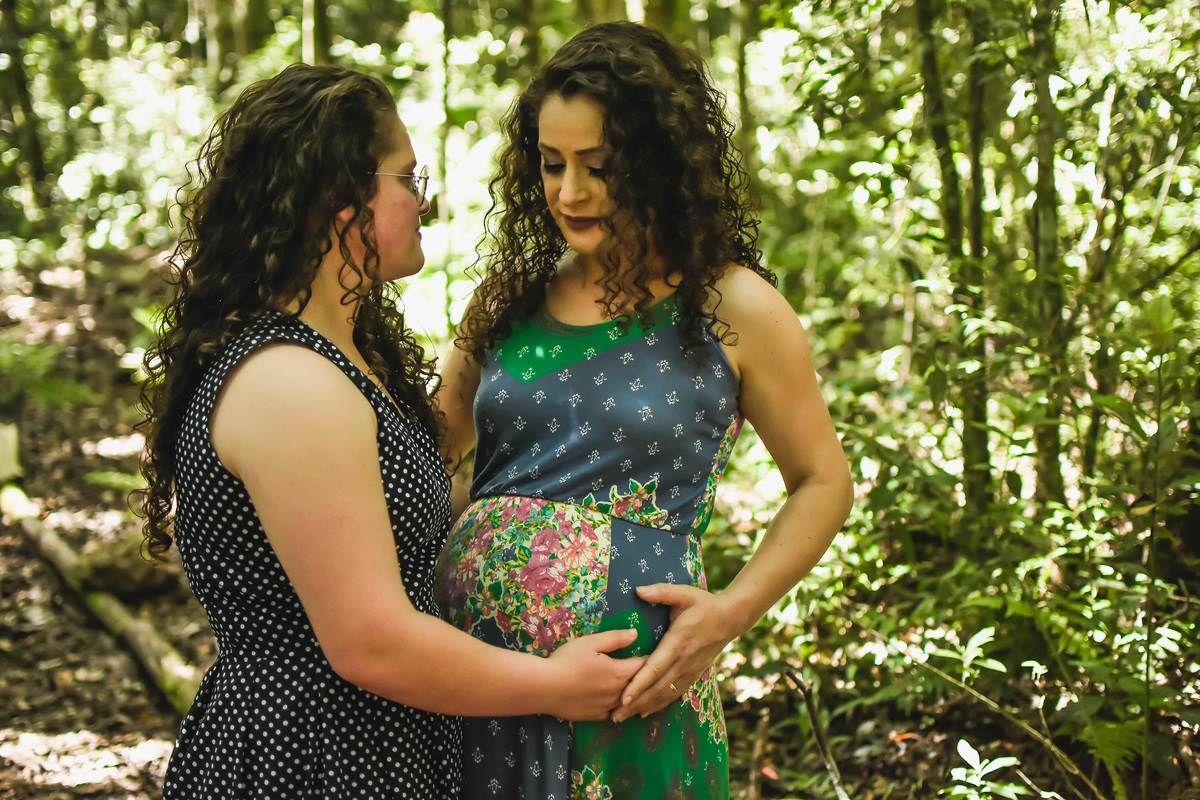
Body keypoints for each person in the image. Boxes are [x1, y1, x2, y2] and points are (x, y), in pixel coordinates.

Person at [136, 63, 645, 800]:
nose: (426, 203)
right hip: (311, 758)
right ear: (343, 200)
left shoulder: (338, 354)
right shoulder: (289, 382)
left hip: (366, 743)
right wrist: (553, 686)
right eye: (408, 178)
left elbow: (411, 490)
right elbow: (371, 642)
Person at [436, 21, 854, 800]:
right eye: (551, 164)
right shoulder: (509, 297)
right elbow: (428, 450)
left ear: (661, 161)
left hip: (634, 693)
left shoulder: (736, 307)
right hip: (479, 682)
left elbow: (823, 480)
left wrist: (728, 615)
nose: (569, 192)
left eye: (598, 167)